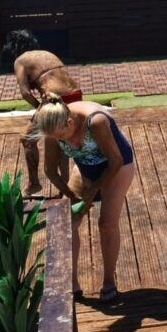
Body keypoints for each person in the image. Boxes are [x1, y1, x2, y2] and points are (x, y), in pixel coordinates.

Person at [30, 96, 135, 303]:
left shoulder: (95, 122)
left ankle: (108, 281)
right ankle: (73, 283)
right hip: (86, 168)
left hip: (117, 167)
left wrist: (92, 191)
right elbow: (50, 170)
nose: (63, 142)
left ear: (70, 122)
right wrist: (72, 196)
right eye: (58, 140)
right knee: (68, 223)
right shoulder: (52, 127)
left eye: (63, 136)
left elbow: (116, 160)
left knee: (106, 224)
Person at [3, 29, 82, 197]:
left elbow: (25, 93)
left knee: (27, 138)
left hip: (55, 96)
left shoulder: (20, 60)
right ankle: (66, 185)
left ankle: (34, 184)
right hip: (76, 94)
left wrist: (41, 108)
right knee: (61, 138)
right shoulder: (46, 53)